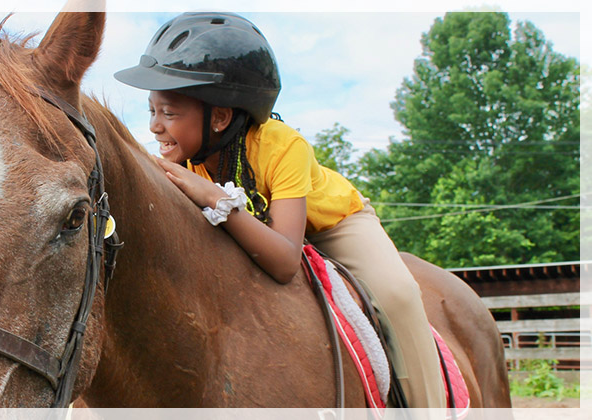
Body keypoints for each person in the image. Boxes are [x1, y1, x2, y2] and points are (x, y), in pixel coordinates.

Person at [115, 12, 445, 408]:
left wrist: (212, 196)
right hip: (259, 226)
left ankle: (429, 407)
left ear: (219, 117)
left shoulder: (283, 145)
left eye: (169, 113)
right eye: (152, 111)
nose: (154, 127)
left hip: (333, 225)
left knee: (399, 293)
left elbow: (286, 260)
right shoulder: (184, 160)